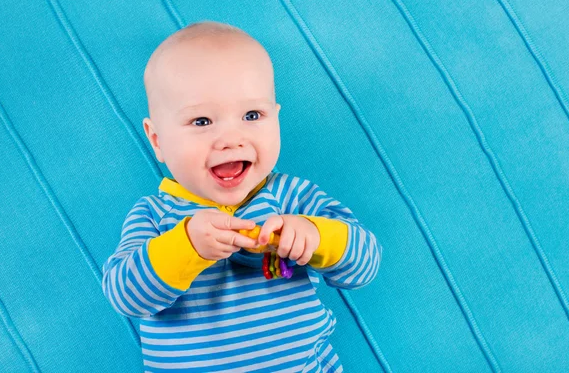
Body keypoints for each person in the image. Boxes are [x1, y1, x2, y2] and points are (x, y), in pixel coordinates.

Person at [101, 20, 382, 373]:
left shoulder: (292, 197)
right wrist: (186, 246)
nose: (232, 139)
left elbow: (364, 265)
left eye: (252, 115)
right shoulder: (155, 215)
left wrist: (315, 235)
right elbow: (125, 295)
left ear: (275, 118)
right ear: (157, 140)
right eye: (202, 121)